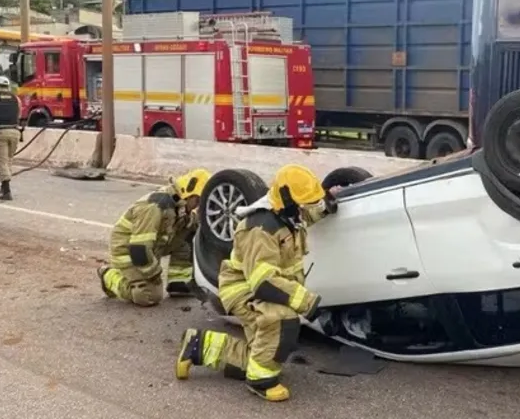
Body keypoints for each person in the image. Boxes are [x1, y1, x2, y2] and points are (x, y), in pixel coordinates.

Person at [175, 164, 339, 402]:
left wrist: (329, 202)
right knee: (280, 320)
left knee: (262, 352)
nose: (307, 209)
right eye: (304, 204)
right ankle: (260, 382)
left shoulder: (288, 215)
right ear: (288, 201)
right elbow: (264, 283)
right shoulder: (260, 229)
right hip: (244, 288)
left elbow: (308, 215)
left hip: (260, 285)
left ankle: (198, 345)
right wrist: (308, 303)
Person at [97, 168, 211, 306]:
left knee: (192, 229)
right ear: (189, 193)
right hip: (127, 251)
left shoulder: (178, 207)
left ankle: (179, 282)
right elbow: (139, 249)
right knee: (148, 295)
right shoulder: (155, 205)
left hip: (150, 248)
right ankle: (109, 276)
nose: (199, 206)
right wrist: (154, 274)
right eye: (198, 200)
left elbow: (193, 225)